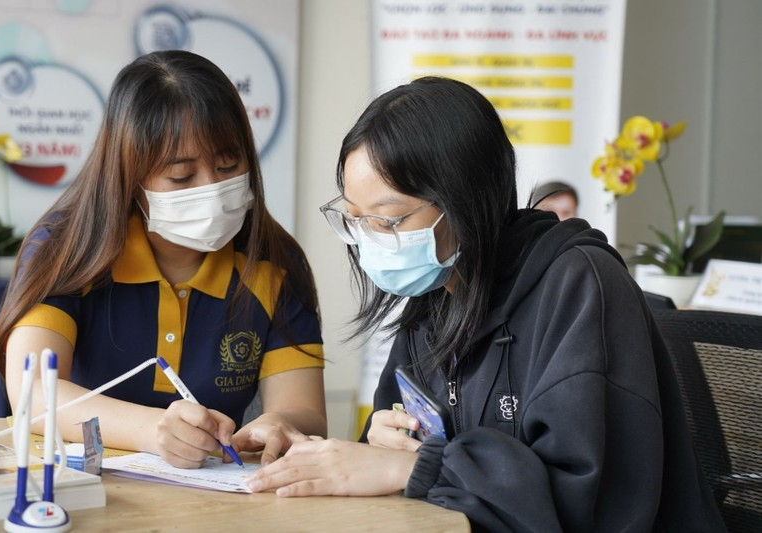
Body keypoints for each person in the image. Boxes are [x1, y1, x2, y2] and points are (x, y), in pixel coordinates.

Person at [246, 77, 725, 532]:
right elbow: (400, 428)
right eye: (356, 220)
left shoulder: (580, 287)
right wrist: (383, 440)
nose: (371, 241)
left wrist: (416, 467)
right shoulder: (436, 289)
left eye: (388, 221)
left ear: (465, 200)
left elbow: (586, 498)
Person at [0, 50, 326, 469]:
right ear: (129, 174)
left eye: (229, 165)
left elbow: (307, 412)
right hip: (83, 486)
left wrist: (281, 423)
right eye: (181, 176)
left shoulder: (274, 262)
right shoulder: (67, 248)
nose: (211, 189)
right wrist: (152, 431)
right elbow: (34, 392)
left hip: (215, 490)